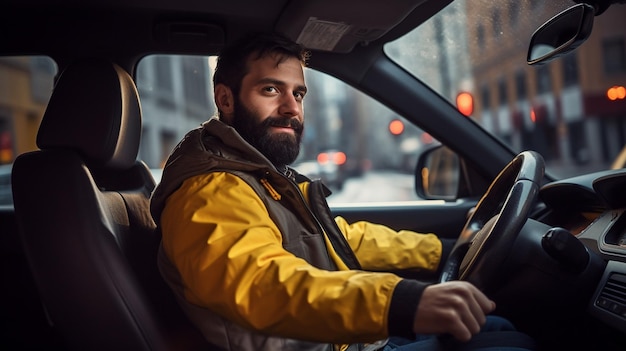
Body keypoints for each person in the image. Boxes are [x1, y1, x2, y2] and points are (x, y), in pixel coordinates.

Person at [150, 32, 536, 351]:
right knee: (510, 342)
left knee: (497, 328)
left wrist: (445, 249)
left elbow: (340, 240)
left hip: (338, 341)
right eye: (271, 90)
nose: (291, 109)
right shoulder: (210, 189)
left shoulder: (259, 176)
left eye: (298, 94)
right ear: (226, 99)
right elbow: (261, 283)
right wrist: (399, 302)